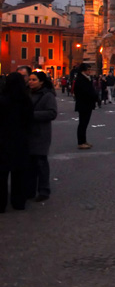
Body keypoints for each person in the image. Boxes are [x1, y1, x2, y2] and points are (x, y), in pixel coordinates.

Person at [0, 73, 33, 212]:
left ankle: (1, 204)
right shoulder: (26, 100)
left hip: (2, 140)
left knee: (1, 174)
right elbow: (29, 120)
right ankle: (19, 202)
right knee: (19, 173)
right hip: (20, 140)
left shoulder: (2, 100)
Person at [27, 71, 58, 202]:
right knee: (30, 164)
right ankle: (30, 190)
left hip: (41, 133)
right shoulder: (27, 94)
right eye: (30, 79)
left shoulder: (48, 96)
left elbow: (52, 113)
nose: (30, 82)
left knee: (41, 163)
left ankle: (44, 190)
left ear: (41, 82)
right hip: (29, 133)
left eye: (34, 80)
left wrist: (32, 115)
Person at [72, 63, 97, 149]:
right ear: (83, 70)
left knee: (84, 123)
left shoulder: (86, 78)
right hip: (84, 104)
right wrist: (95, 96)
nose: (90, 71)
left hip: (87, 103)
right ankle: (81, 142)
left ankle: (84, 140)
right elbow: (86, 91)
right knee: (82, 123)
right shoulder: (81, 79)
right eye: (88, 70)